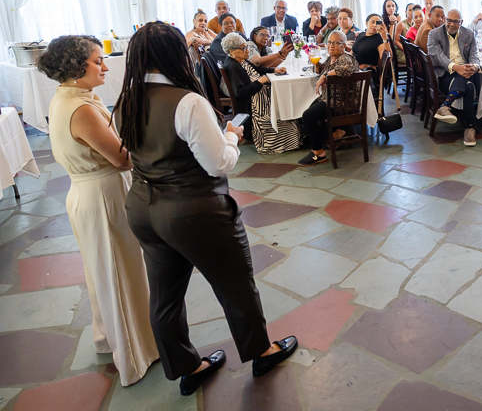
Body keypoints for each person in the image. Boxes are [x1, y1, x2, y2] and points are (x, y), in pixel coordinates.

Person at [113, 23, 297, 396]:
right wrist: (231, 136)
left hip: (144, 206)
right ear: (173, 55)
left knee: (164, 297)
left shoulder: (126, 98)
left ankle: (187, 366)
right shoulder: (187, 101)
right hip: (193, 210)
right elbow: (218, 164)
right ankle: (260, 351)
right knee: (235, 283)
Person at [38, 36, 158, 387]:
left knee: (106, 272)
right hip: (102, 194)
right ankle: (136, 354)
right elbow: (121, 158)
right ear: (77, 68)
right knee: (120, 272)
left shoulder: (66, 98)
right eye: (97, 61)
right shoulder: (83, 109)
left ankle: (109, 336)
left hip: (89, 191)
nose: (105, 66)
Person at [220, 33, 298, 155]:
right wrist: (259, 82)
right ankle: (280, 143)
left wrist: (274, 70)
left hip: (259, 94)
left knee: (285, 100)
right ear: (232, 51)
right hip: (254, 105)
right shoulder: (233, 66)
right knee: (283, 106)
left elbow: (257, 69)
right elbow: (240, 93)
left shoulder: (240, 60)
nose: (247, 51)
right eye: (244, 48)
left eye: (247, 47)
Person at [298, 30, 361, 167]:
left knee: (307, 116)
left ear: (343, 46)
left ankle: (318, 152)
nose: (331, 46)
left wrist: (325, 75)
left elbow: (347, 68)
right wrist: (317, 64)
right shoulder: (332, 58)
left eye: (335, 43)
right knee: (306, 113)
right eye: (329, 43)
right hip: (329, 98)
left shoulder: (346, 58)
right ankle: (333, 134)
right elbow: (322, 71)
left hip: (341, 103)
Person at [429, 9, 481, 147]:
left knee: (468, 84)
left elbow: (474, 54)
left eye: (455, 21)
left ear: (461, 22)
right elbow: (438, 57)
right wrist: (456, 68)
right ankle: (470, 127)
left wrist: (474, 66)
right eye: (449, 20)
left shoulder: (469, 34)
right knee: (468, 85)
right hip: (444, 75)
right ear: (445, 19)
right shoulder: (434, 34)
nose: (451, 24)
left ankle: (445, 106)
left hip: (465, 71)